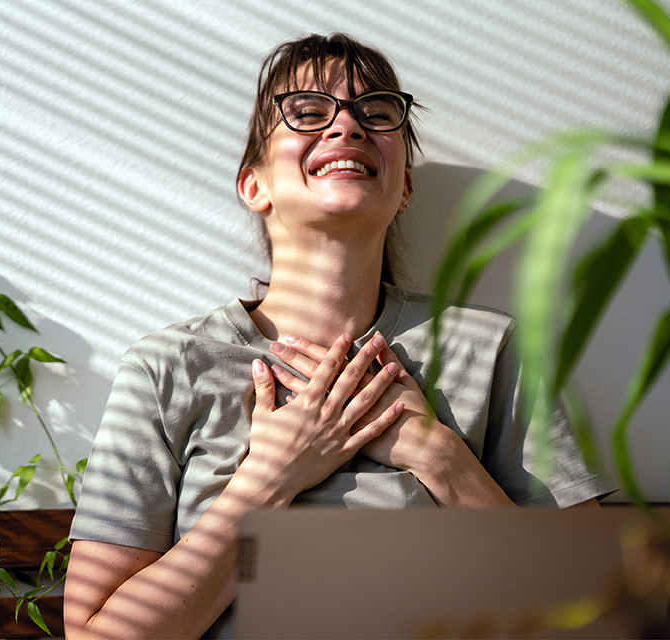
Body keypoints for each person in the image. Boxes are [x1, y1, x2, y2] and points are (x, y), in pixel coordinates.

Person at [63, 33, 617, 639]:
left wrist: (441, 459)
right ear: (255, 186)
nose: (347, 126)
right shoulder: (168, 367)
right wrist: (270, 478)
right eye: (306, 112)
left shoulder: (490, 349)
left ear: (404, 187)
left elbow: (596, 610)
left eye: (375, 112)